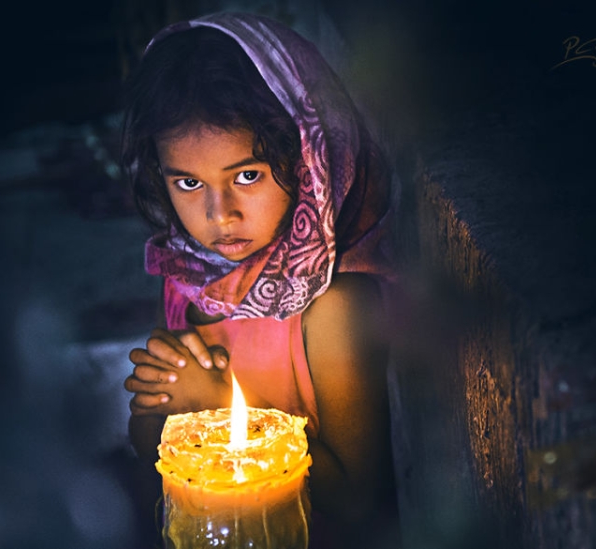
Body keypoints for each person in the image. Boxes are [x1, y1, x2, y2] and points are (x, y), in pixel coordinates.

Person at [120, 12, 398, 548]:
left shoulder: (334, 304)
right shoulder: (188, 281)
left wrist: (217, 408)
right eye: (187, 182)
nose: (219, 213)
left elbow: (360, 498)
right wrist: (160, 409)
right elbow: (149, 443)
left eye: (247, 175)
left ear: (309, 159)